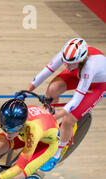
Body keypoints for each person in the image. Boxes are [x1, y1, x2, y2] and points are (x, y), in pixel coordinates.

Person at [23, 38, 106, 171]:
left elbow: (76, 99)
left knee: (69, 118)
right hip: (77, 72)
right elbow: (45, 72)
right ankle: (46, 128)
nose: (66, 65)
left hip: (96, 85)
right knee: (52, 89)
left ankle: (56, 153)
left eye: (70, 63)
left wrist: (58, 115)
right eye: (65, 62)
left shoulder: (89, 67)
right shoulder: (68, 58)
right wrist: (27, 91)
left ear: (80, 60)